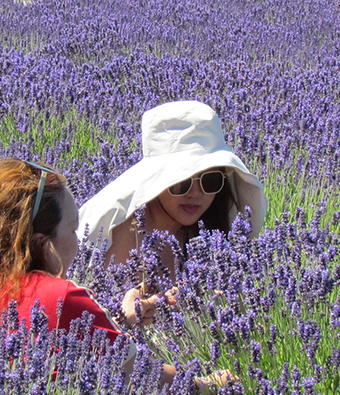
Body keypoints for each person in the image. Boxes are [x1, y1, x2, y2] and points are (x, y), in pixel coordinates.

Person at [0, 157, 231, 395]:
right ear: (44, 244)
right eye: (74, 228)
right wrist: (213, 386)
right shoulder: (59, 297)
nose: (79, 241)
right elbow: (146, 377)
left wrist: (122, 318)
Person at [77, 100, 267, 327]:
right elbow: (92, 328)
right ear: (158, 181)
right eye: (181, 182)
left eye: (210, 180)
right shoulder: (122, 235)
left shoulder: (211, 232)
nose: (196, 194)